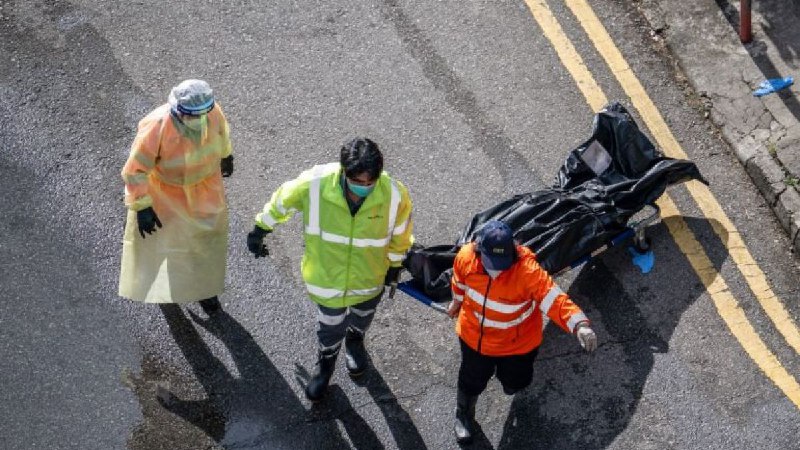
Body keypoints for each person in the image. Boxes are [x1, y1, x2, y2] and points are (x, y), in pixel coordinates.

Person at [247, 137, 413, 402]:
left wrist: (395, 266)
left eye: (370, 183)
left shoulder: (395, 195)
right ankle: (326, 363)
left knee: (363, 316)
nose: (364, 188)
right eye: (358, 182)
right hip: (327, 279)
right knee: (330, 326)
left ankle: (355, 341)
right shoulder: (314, 184)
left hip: (370, 278)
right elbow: (282, 201)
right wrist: (260, 229)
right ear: (344, 172)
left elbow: (401, 234)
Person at [447, 220, 597, 444]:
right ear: (479, 251)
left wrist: (578, 324)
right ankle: (464, 414)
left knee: (517, 382)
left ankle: (510, 383)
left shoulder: (528, 272)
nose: (497, 271)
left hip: (517, 345)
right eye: (491, 263)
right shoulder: (466, 257)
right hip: (475, 340)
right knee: (471, 380)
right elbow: (459, 282)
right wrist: (456, 302)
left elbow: (554, 299)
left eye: (502, 263)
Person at [119, 79, 234, 315]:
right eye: (192, 116)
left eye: (202, 115)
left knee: (205, 241)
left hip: (205, 190)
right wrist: (142, 206)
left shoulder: (213, 113)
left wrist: (226, 155)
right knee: (168, 246)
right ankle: (167, 291)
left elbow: (222, 133)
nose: (198, 121)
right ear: (178, 111)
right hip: (166, 195)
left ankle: (204, 290)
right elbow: (135, 170)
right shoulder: (157, 126)